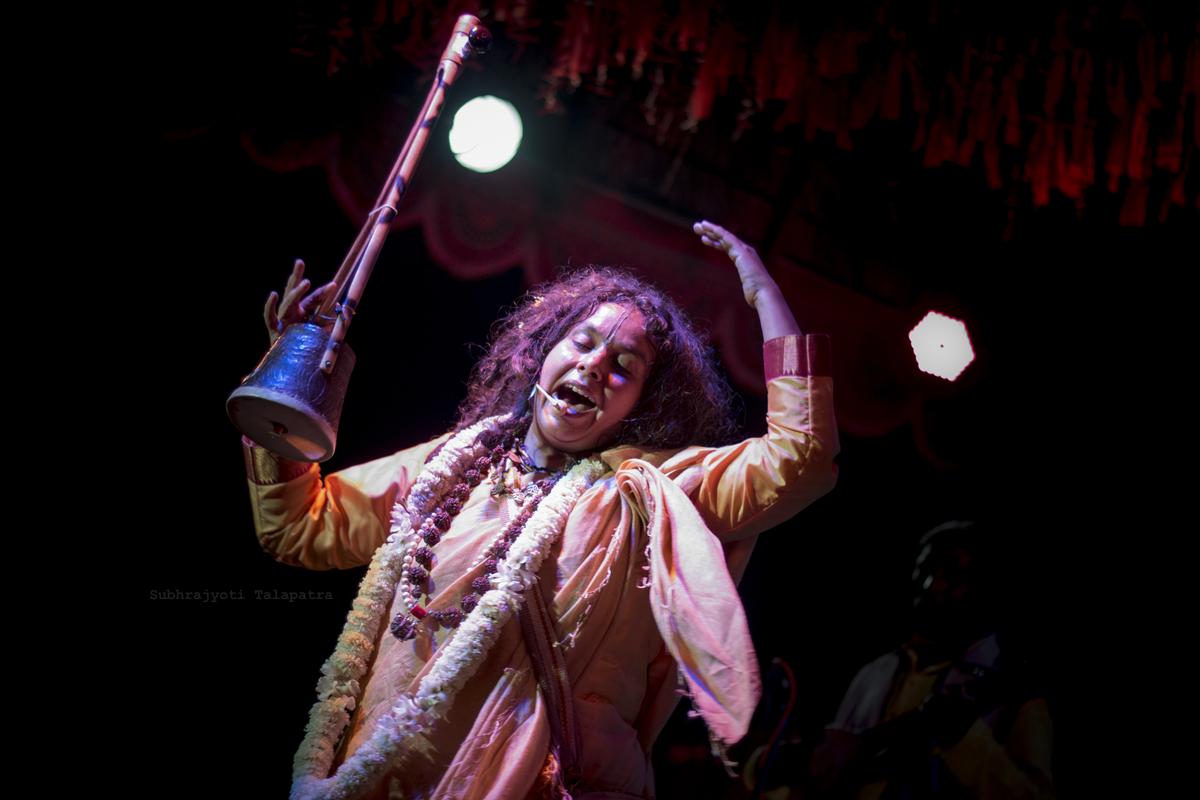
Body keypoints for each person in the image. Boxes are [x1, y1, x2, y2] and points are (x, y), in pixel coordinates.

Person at [240, 221, 840, 800]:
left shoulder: (653, 490)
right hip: (379, 774)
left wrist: (764, 296)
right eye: (582, 342)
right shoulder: (451, 465)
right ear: (542, 352)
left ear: (637, 407)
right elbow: (300, 527)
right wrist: (285, 382)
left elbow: (802, 456)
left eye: (623, 367)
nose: (594, 365)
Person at [807, 521, 1055, 799]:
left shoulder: (1017, 694)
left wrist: (965, 741)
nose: (931, 585)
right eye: (924, 570)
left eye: (952, 573)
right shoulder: (874, 673)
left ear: (986, 586)